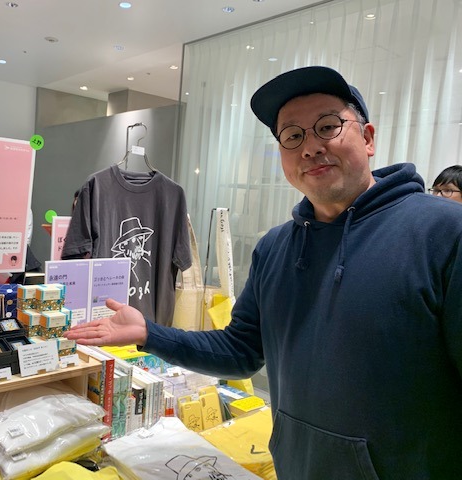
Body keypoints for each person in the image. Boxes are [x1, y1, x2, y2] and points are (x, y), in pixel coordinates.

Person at [65, 66, 462, 479]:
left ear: (368, 138)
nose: (310, 147)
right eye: (292, 136)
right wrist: (150, 333)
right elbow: (240, 351)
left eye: (327, 127)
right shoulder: (276, 247)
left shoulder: (445, 233)